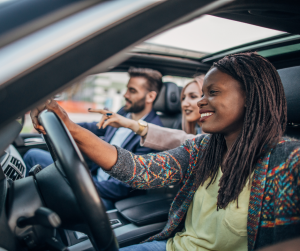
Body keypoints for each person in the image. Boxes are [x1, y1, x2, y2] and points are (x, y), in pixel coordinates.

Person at [30, 52, 300, 251]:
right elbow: (138, 170)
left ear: (251, 96)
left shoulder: (288, 161)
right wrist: (69, 126)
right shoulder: (203, 148)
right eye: (200, 93)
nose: (201, 102)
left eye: (213, 92)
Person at [24, 67, 164, 210]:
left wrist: (83, 184)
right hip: (93, 177)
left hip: (108, 197)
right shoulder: (124, 112)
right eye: (127, 89)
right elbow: (95, 126)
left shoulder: (153, 134)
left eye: (132, 91)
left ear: (150, 96)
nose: (125, 95)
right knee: (32, 156)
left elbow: (123, 188)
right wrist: (62, 124)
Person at [89, 75, 205, 151]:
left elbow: (178, 139)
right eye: (183, 98)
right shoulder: (123, 112)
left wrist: (130, 124)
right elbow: (97, 126)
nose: (184, 104)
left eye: (193, 96)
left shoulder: (212, 139)